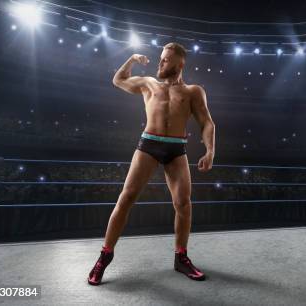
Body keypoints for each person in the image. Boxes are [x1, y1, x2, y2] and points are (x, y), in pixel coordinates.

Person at [88, 42, 216, 285]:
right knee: (126, 198)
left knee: (183, 204)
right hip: (149, 144)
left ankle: (181, 258)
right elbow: (118, 80)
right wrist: (133, 59)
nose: (160, 63)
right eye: (160, 59)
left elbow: (207, 122)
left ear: (180, 64)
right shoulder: (148, 83)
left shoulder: (193, 91)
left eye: (166, 60)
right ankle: (103, 257)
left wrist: (210, 151)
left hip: (176, 148)